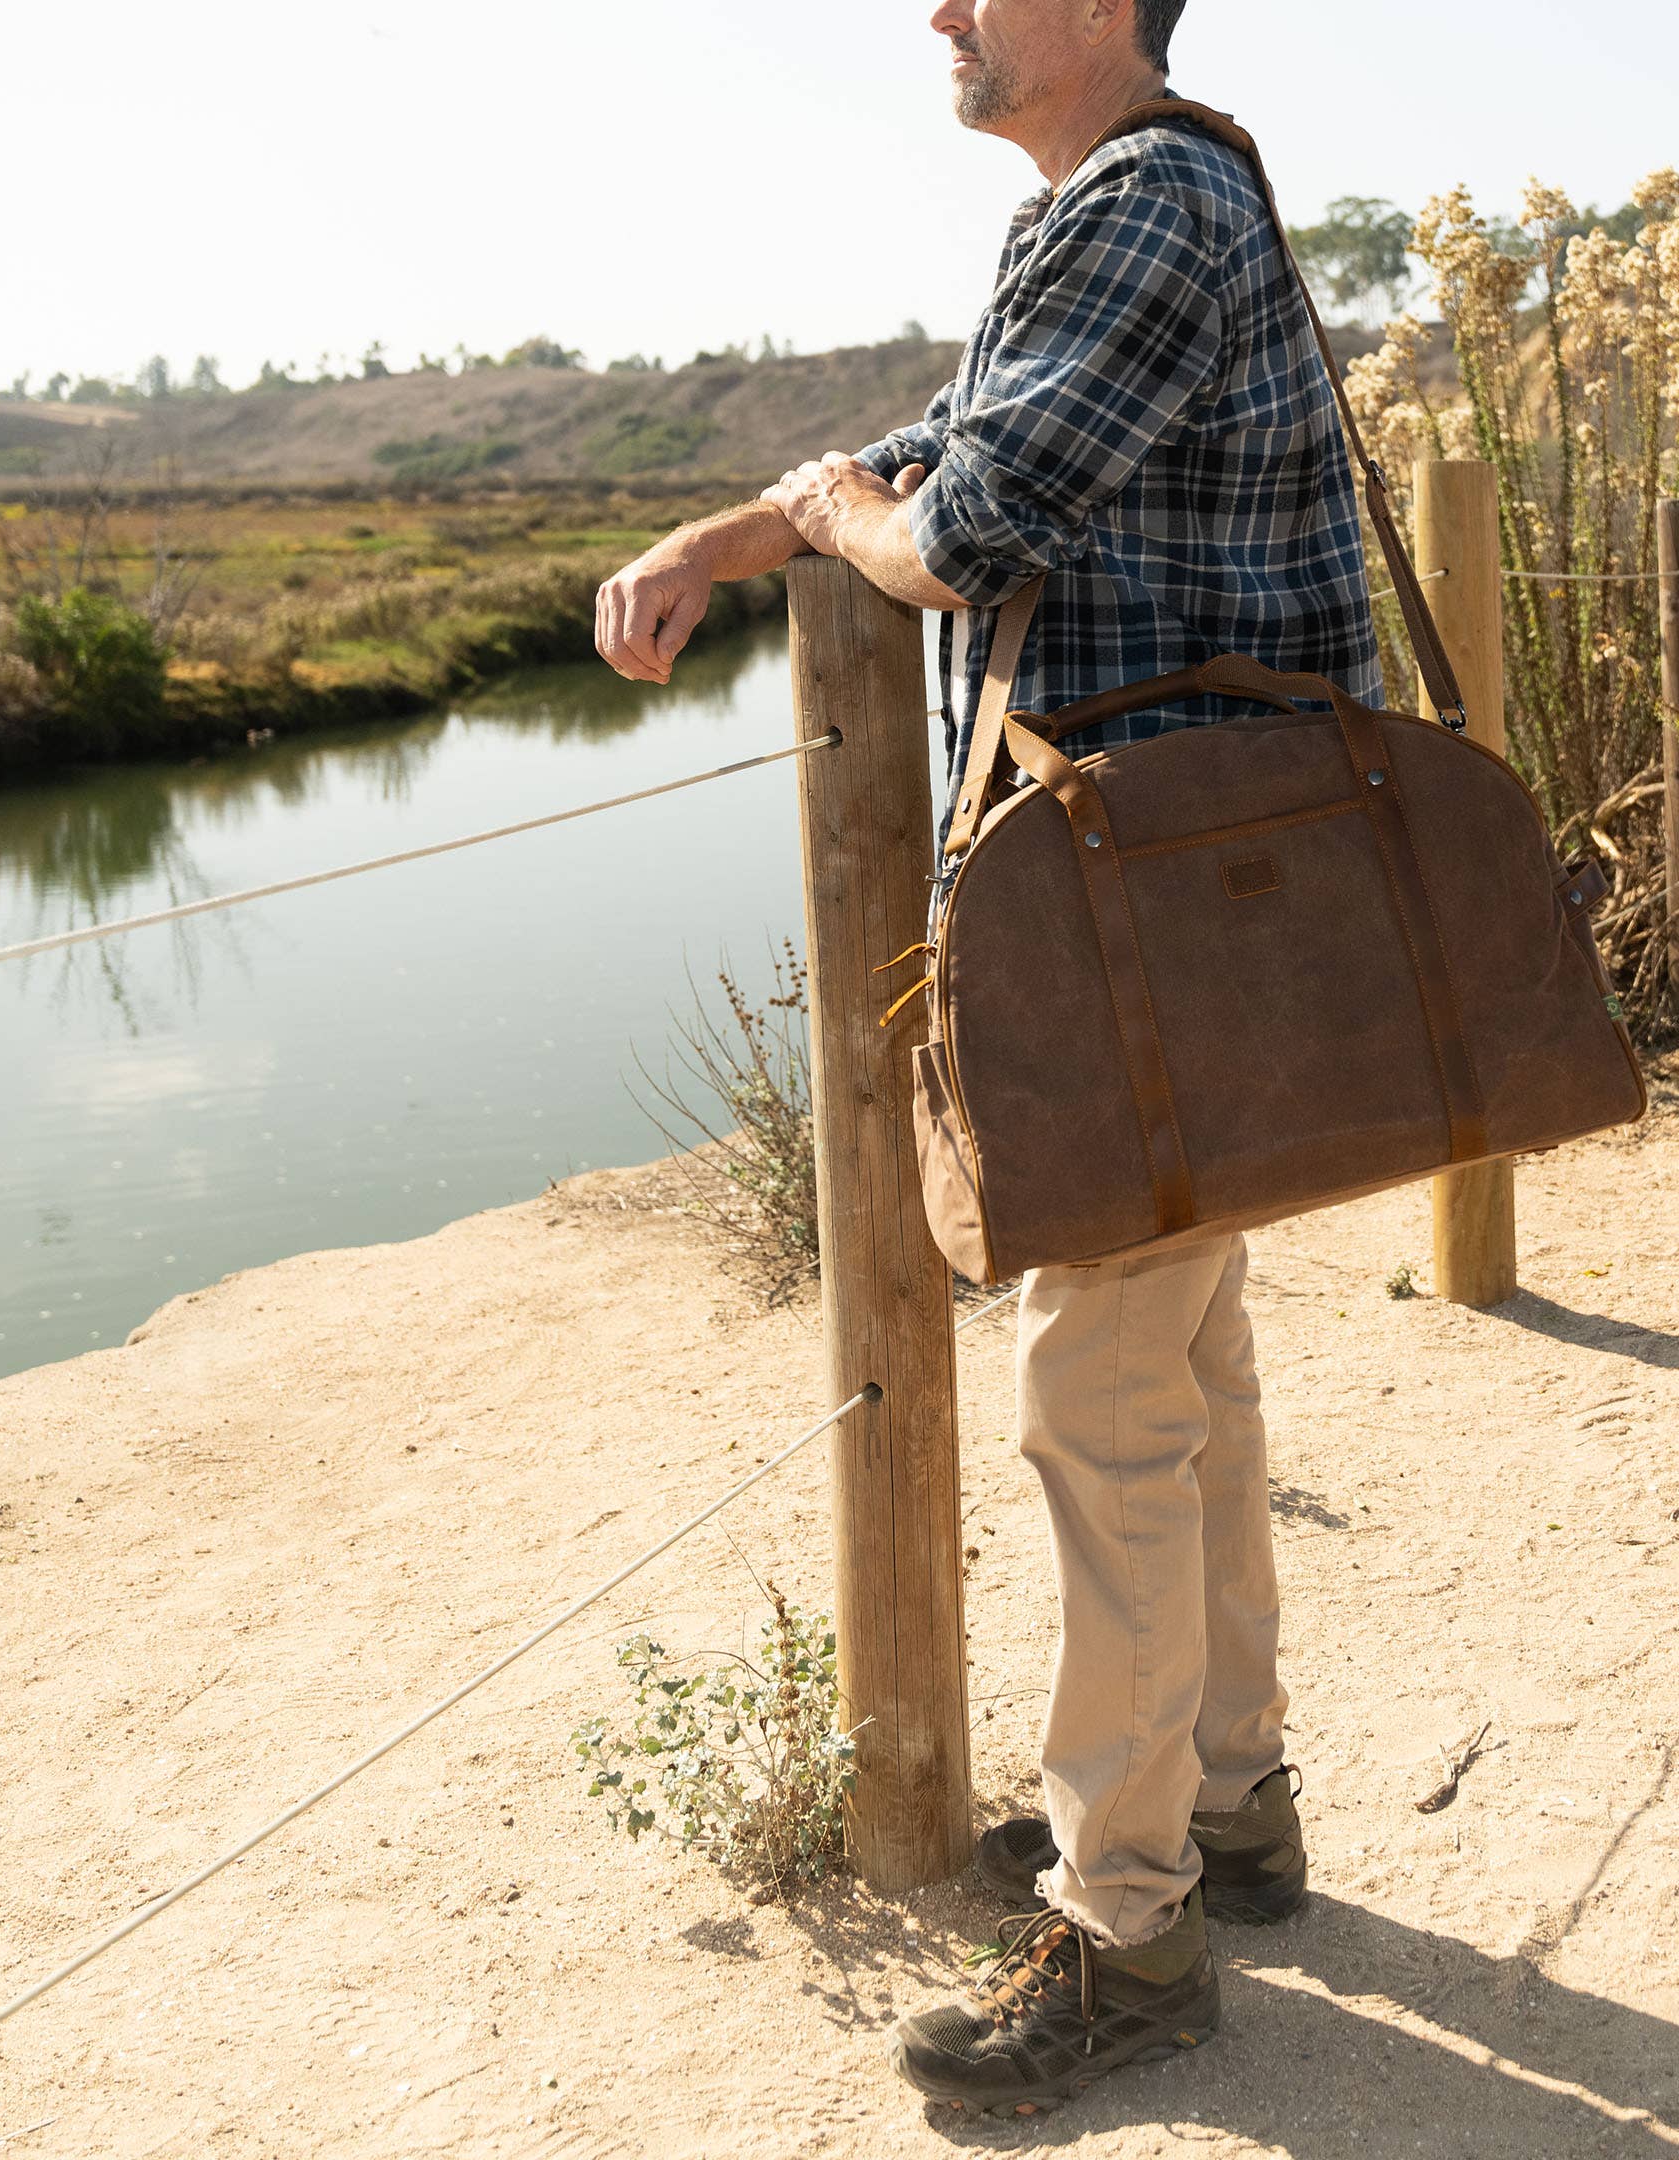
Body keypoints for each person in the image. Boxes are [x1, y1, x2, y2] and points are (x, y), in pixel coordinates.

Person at [595, 0, 1385, 2119]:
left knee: (1095, 1397)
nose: (933, 11)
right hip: (1213, 900)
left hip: (1158, 916)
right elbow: (934, 447)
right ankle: (1228, 1811)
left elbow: (951, 529)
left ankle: (1129, 1942)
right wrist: (729, 536)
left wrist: (851, 525)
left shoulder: (1140, 204)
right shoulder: (1128, 203)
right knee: (1182, 1374)